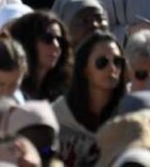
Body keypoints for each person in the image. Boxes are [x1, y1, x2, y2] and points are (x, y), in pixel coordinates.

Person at [52, 32, 127, 167]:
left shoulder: (129, 113)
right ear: (85, 69)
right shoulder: (57, 116)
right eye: (102, 62)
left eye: (117, 62)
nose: (112, 68)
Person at [8, 11, 73, 101]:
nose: (56, 46)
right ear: (28, 42)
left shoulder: (63, 96)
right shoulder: (8, 90)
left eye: (60, 40)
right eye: (47, 39)